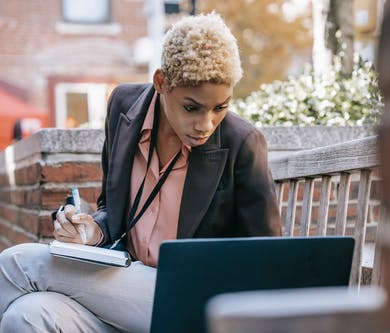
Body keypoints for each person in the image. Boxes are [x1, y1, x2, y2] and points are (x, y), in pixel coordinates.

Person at [0, 13, 281, 333]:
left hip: (194, 303)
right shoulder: (123, 105)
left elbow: (266, 259)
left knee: (16, 263)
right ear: (161, 82)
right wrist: (93, 232)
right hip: (124, 290)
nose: (205, 124)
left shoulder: (242, 142)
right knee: (25, 315)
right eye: (192, 107)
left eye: (220, 107)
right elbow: (112, 208)